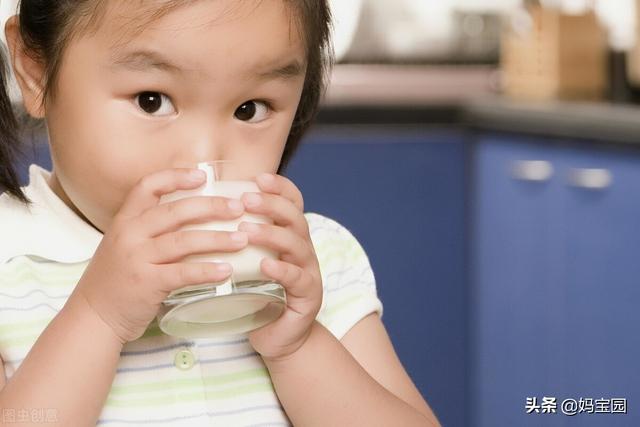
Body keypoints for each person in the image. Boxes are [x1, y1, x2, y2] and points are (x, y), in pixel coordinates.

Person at [0, 1, 440, 426]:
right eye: (151, 100)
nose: (202, 158)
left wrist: (298, 346)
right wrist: (98, 317)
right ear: (35, 69)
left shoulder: (308, 264)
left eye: (250, 109)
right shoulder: (9, 258)